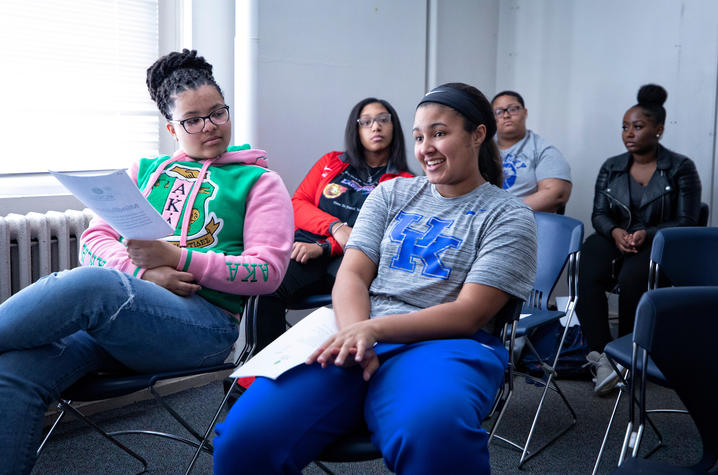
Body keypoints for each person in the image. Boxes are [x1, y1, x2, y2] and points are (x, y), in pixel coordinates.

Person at [213, 83, 538, 474]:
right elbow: (351, 274)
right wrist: (356, 334)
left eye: (439, 133)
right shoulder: (392, 194)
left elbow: (469, 313)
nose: (425, 148)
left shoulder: (509, 215)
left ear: (478, 134)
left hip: (447, 343)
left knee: (432, 433)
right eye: (419, 137)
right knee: (246, 437)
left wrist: (373, 330)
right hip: (357, 332)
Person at [0, 49, 293, 473]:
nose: (209, 126)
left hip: (203, 327)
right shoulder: (144, 171)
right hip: (117, 322)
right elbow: (94, 240)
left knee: (92, 285)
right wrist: (147, 273)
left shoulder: (259, 181)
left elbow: (268, 272)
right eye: (193, 119)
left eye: (217, 113)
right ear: (173, 127)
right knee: (12, 372)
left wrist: (178, 259)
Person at [254, 98, 412, 348]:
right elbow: (298, 203)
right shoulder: (331, 162)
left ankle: (357, 360)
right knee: (266, 286)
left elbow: (383, 233)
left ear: (394, 127)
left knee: (361, 295)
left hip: (355, 256)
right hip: (305, 249)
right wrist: (335, 229)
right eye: (367, 121)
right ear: (356, 129)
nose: (376, 127)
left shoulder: (404, 181)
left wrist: (326, 247)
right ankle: (258, 370)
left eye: (383, 119)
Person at [576, 84, 702, 395]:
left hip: (659, 245)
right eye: (624, 127)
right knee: (588, 258)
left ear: (658, 130)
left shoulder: (680, 168)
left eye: (638, 126)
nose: (628, 133)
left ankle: (629, 354)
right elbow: (600, 215)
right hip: (617, 240)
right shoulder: (612, 167)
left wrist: (649, 233)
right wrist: (615, 232)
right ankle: (602, 354)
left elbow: (688, 220)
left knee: (634, 278)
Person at [492, 90, 572, 212]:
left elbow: (556, 194)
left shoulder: (543, 150)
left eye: (512, 109)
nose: (506, 115)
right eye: (498, 112)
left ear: (525, 112)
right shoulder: (481, 148)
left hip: (522, 220)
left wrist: (505, 212)